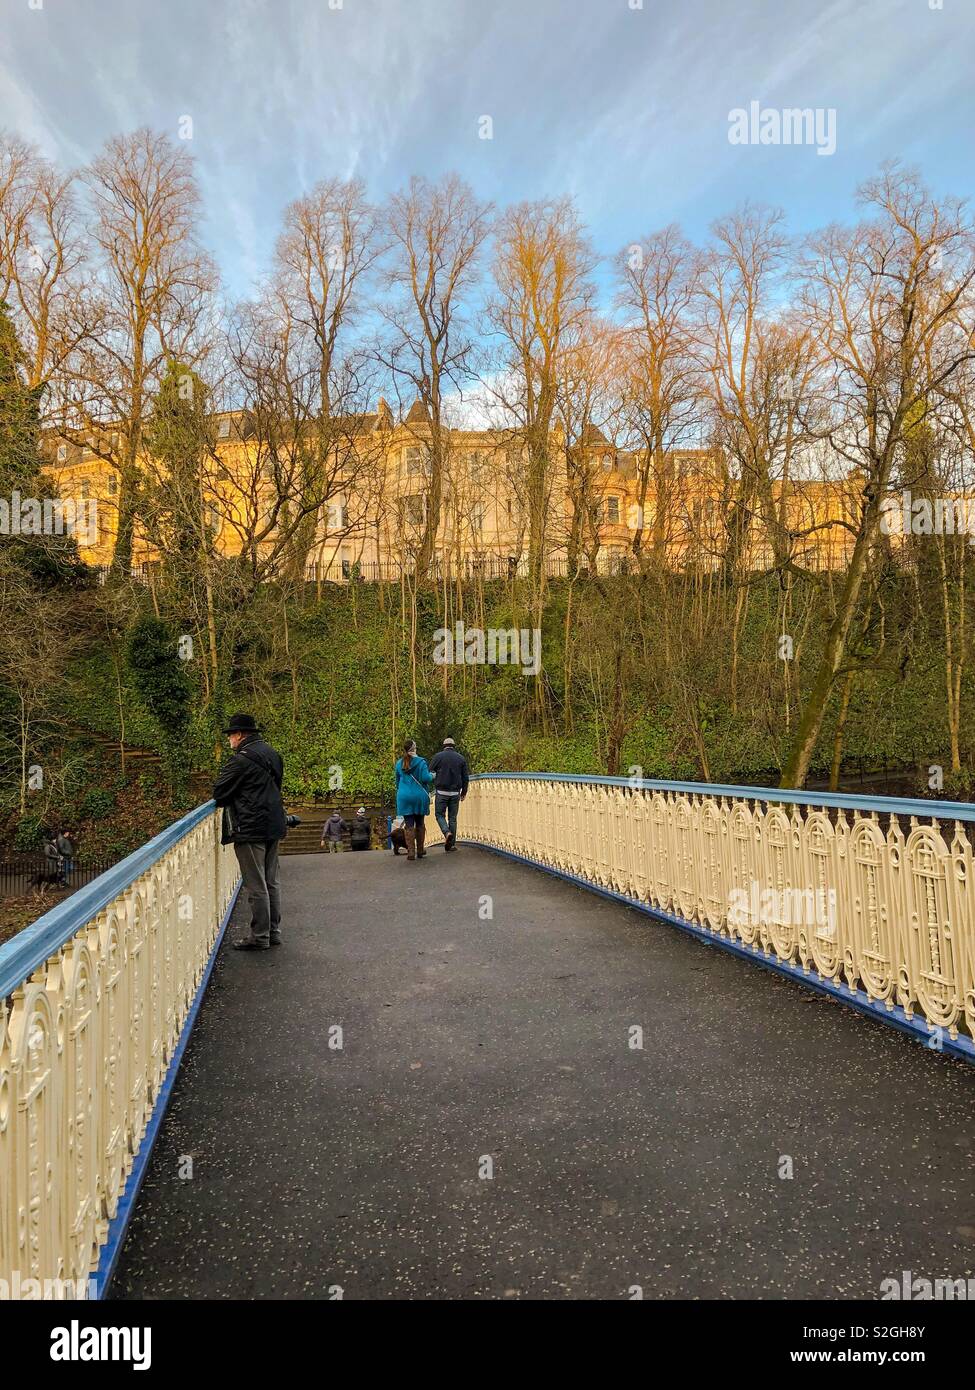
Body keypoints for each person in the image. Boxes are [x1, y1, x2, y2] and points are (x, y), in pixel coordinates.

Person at [213, 713, 288, 951]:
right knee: (271, 881)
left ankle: (260, 935)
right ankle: (273, 932)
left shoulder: (239, 761)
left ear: (239, 735)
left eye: (230, 735)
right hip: (274, 823)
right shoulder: (273, 754)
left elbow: (220, 794)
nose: (229, 741)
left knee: (256, 884)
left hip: (250, 826)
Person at [394, 739, 433, 861]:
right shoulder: (421, 762)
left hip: (404, 796)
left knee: (409, 825)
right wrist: (433, 775)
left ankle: (411, 852)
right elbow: (425, 778)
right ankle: (420, 850)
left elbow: (397, 782)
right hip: (418, 796)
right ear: (414, 748)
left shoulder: (399, 763)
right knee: (420, 823)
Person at [428, 737, 470, 852]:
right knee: (453, 818)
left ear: (444, 746)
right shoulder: (461, 758)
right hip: (455, 793)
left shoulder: (438, 757)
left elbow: (429, 772)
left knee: (439, 815)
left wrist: (432, 786)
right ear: (454, 746)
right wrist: (464, 792)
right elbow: (465, 778)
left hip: (441, 792)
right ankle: (451, 845)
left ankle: (447, 832)